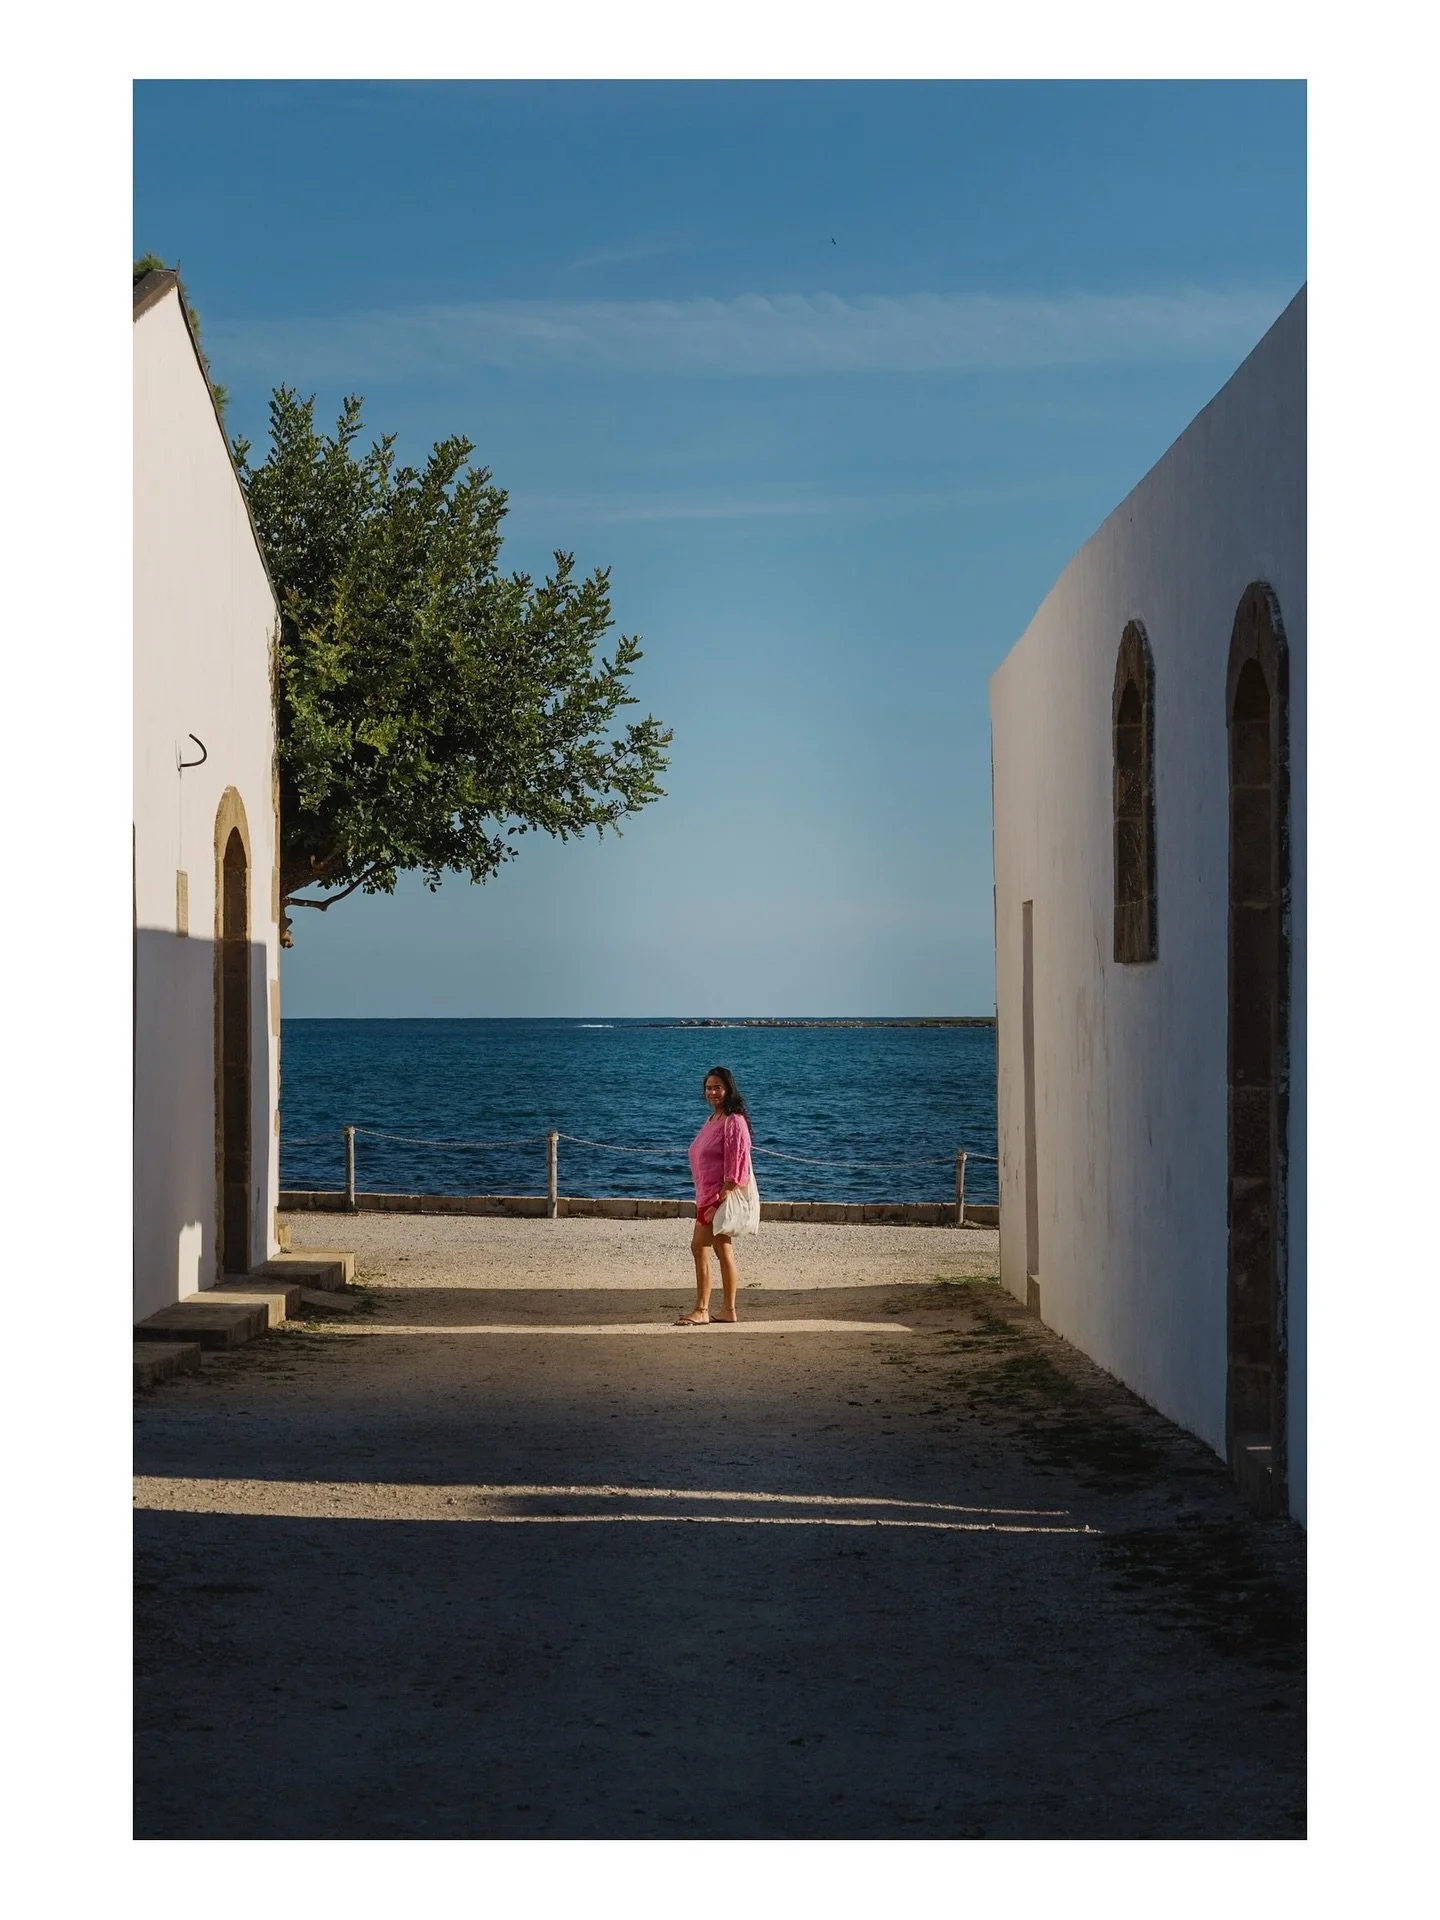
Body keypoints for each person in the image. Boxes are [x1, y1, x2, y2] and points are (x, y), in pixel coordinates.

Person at [679, 1067, 754, 1324]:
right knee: (722, 1249)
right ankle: (728, 1310)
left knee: (700, 1246)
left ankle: (702, 1310)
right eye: (709, 1088)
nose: (712, 1092)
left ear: (728, 1089)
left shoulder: (733, 1121)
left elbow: (737, 1167)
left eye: (718, 1087)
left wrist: (719, 1201)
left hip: (718, 1198)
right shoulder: (714, 1119)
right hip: (707, 1195)